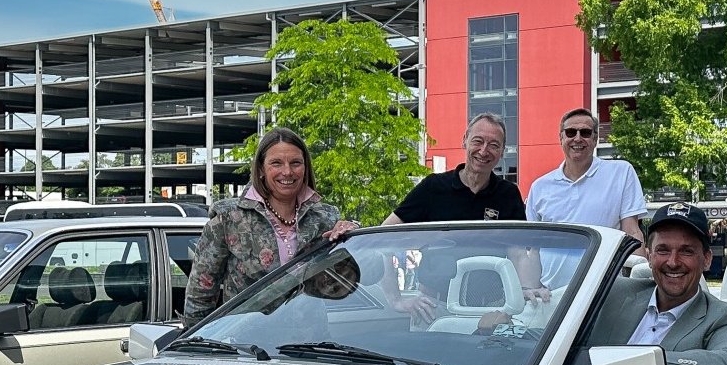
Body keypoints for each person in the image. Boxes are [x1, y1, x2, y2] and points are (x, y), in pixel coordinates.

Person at [185, 128, 354, 327]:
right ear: (261, 170)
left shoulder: (326, 218)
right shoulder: (229, 218)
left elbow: (348, 285)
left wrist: (351, 235)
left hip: (309, 345)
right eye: (276, 163)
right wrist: (201, 347)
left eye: (296, 163)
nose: (287, 172)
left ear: (305, 168)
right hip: (246, 345)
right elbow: (200, 295)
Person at [380, 114, 542, 320]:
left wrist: (525, 288)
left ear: (502, 151)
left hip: (493, 309)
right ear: (465, 140)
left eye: (494, 145)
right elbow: (385, 238)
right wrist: (395, 300)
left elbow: (518, 253)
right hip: (433, 308)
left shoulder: (508, 194)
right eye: (478, 141)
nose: (484, 151)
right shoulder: (433, 188)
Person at [589, 203, 727, 365]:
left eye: (686, 251)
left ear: (707, 259)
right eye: (663, 250)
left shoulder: (720, 316)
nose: (673, 262)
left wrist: (648, 360)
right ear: (649, 257)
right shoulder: (612, 292)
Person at [526, 108, 648, 283]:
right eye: (570, 132)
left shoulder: (621, 172)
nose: (577, 138)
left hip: (604, 289)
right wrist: (531, 288)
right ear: (561, 138)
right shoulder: (539, 187)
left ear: (595, 139)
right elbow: (533, 248)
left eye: (585, 132)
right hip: (552, 294)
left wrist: (639, 282)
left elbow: (632, 231)